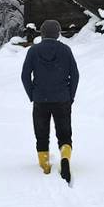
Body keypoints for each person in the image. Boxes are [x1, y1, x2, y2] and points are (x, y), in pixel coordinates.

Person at [21, 19, 79, 182]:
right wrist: (70, 96)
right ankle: (65, 158)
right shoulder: (66, 50)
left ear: (43, 33)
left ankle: (45, 165)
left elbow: (25, 76)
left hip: (41, 99)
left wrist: (32, 94)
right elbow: (75, 75)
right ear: (58, 34)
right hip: (62, 99)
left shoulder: (33, 51)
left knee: (41, 134)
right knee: (64, 133)